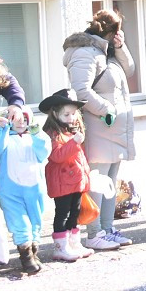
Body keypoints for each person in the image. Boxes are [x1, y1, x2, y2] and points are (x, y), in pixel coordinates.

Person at [63, 9, 136, 250]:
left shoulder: (107, 53)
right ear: (109, 31)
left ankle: (107, 228)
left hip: (114, 129)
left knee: (110, 183)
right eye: (117, 32)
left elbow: (130, 70)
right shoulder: (85, 53)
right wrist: (107, 110)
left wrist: (121, 48)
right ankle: (93, 233)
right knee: (97, 183)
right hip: (99, 128)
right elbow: (81, 91)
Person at [0, 109, 50, 274]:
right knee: (19, 221)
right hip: (11, 190)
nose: (21, 122)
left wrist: (38, 133)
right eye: (16, 119)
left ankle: (34, 251)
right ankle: (26, 256)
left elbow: (43, 153)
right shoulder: (6, 138)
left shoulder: (35, 137)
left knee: (35, 220)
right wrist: (2, 127)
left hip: (34, 189)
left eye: (24, 119)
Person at [40, 88, 93, 262]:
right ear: (55, 114)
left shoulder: (73, 130)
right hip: (62, 181)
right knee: (62, 213)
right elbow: (57, 156)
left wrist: (86, 176)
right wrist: (74, 142)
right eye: (66, 115)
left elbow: (80, 158)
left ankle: (74, 243)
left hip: (76, 181)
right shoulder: (52, 133)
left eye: (73, 114)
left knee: (75, 212)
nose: (71, 118)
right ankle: (61, 246)